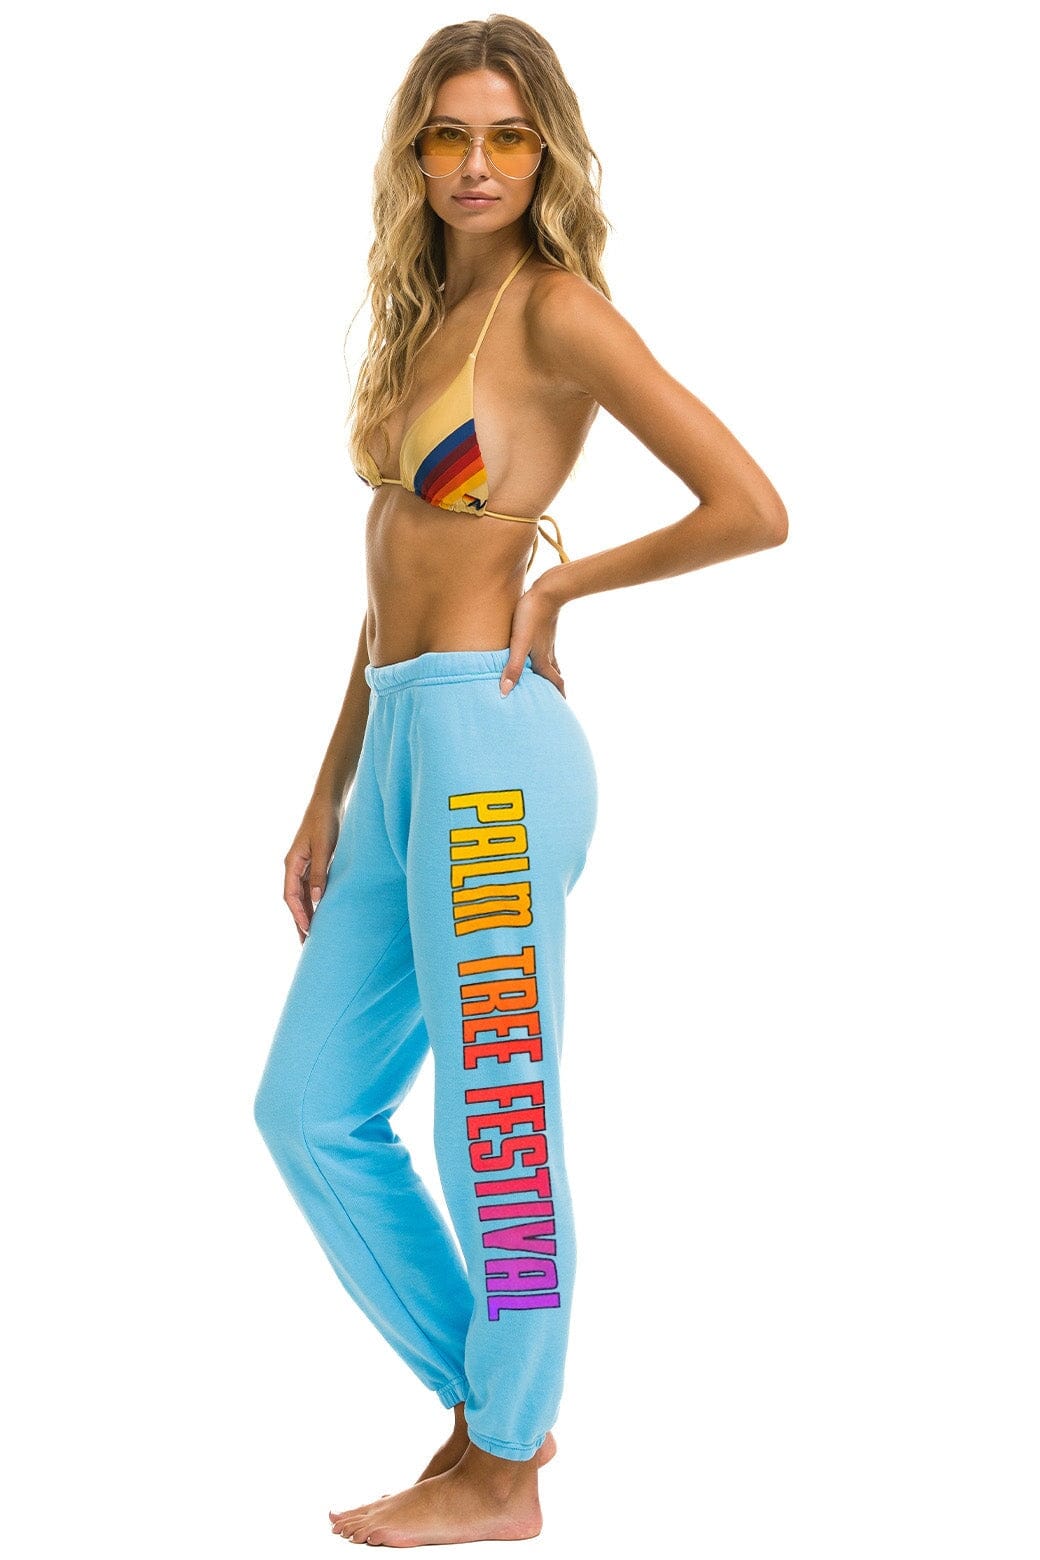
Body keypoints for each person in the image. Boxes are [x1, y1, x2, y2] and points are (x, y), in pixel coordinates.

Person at [253, 13, 787, 1548]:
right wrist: (328, 787)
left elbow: (750, 505)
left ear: (545, 154)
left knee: (495, 1115)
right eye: (449, 136)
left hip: (492, 754)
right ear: (415, 155)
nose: (476, 165)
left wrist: (558, 588)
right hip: (402, 739)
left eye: (506, 137)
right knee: (309, 1108)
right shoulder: (428, 314)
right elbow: (391, 579)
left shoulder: (557, 312)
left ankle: (500, 1469)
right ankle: (499, 1421)